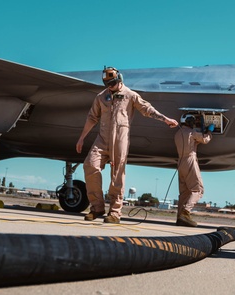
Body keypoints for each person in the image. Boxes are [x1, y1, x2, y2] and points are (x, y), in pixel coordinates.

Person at [76, 67, 179, 223]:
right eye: (107, 84)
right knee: (90, 165)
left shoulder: (130, 95)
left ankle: (115, 213)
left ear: (119, 79)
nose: (109, 87)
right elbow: (92, 118)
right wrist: (82, 138)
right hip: (102, 138)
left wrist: (165, 119)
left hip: (120, 139)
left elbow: (147, 109)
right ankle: (96, 207)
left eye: (112, 83)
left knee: (117, 174)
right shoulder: (101, 97)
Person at [174, 114, 212, 227]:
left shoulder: (177, 134)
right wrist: (209, 131)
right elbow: (205, 139)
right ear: (189, 122)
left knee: (184, 192)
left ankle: (180, 218)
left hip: (180, 162)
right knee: (198, 190)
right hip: (190, 160)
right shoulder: (192, 133)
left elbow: (192, 142)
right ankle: (186, 212)